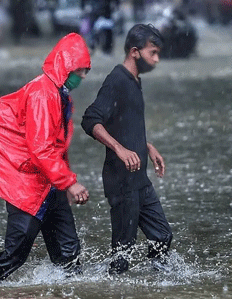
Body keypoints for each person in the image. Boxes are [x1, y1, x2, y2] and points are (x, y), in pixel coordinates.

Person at [0, 33, 91, 283]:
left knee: (69, 256)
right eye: (80, 70)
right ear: (65, 67)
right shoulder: (44, 94)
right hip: (28, 186)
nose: (84, 76)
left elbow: (58, 146)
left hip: (50, 184)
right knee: (16, 255)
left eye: (86, 71)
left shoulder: (59, 95)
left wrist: (65, 184)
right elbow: (41, 149)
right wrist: (70, 183)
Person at [81, 24, 173, 275]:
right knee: (123, 253)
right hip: (121, 180)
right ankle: (111, 288)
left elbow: (125, 123)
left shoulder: (134, 81)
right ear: (134, 51)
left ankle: (157, 285)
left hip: (139, 179)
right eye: (152, 53)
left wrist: (147, 146)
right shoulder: (117, 80)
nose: (156, 59)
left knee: (163, 236)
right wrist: (119, 149)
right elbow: (91, 120)